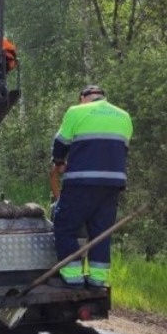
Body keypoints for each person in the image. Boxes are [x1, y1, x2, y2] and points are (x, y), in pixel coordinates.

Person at [50, 85, 133, 288]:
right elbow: (121, 148)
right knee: (101, 232)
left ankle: (73, 277)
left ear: (83, 98)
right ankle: (97, 279)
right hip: (113, 184)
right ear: (103, 97)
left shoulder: (76, 111)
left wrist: (59, 162)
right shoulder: (124, 116)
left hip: (81, 182)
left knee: (65, 226)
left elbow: (60, 143)